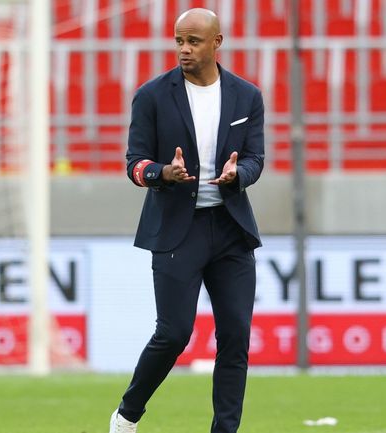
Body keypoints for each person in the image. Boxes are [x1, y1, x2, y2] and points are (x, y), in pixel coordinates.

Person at [109, 8, 264, 433]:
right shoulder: (152, 96)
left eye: (193, 41)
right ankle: (128, 413)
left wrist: (239, 175)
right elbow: (134, 164)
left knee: (235, 338)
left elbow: (255, 159)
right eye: (179, 40)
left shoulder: (247, 96)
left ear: (217, 43)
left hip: (231, 230)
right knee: (174, 334)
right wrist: (163, 173)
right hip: (179, 230)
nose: (183, 49)